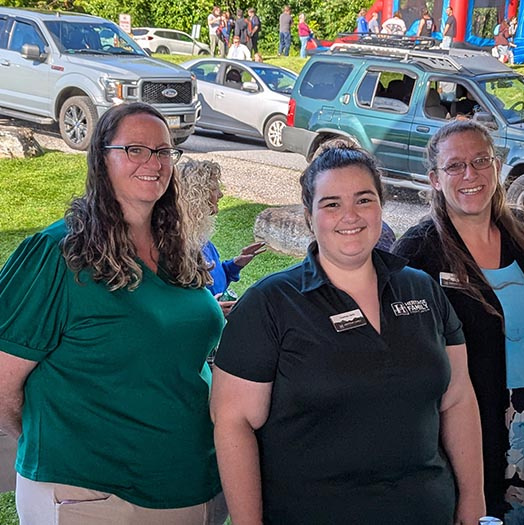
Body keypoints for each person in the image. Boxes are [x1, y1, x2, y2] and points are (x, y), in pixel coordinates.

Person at [210, 144, 486, 525]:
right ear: (309, 216)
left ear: (380, 207)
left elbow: (457, 399)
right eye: (332, 204)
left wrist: (474, 499)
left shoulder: (421, 290)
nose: (350, 216)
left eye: (364, 199)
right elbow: (233, 423)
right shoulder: (270, 304)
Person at [0, 103, 228, 523]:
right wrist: (56, 442)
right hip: (92, 495)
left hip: (187, 484)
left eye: (163, 151)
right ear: (101, 158)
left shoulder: (178, 251)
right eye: (135, 149)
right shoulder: (58, 254)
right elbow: (3, 381)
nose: (153, 163)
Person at [393, 120, 524, 524]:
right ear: (435, 179)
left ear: (496, 166)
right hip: (466, 434)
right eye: (455, 166)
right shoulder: (420, 252)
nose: (470, 174)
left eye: (480, 161)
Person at [177, 158, 266, 316]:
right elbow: (175, 307)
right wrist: (211, 309)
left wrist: (235, 264)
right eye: (214, 189)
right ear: (197, 194)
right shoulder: (177, 244)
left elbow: (215, 279)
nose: (221, 194)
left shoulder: (201, 238)